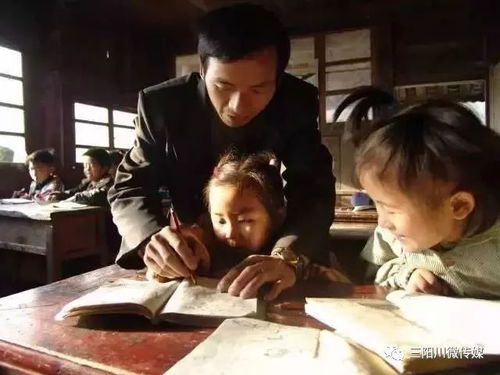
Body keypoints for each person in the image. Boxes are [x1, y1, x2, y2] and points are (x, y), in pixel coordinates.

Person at [109, 3, 335, 298]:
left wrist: (287, 256)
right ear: (202, 70)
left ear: (278, 80)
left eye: (258, 89)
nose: (238, 106)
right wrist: (151, 239)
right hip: (187, 254)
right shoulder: (163, 106)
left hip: (267, 249)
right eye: (223, 85)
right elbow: (129, 187)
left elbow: (312, 188)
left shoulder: (295, 102)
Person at [335, 87, 500, 298]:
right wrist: (407, 274)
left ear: (459, 206)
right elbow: (375, 274)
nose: (383, 222)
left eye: (391, 209)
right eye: (377, 203)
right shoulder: (391, 238)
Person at [146, 152, 349, 300]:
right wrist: (165, 267)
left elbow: (340, 288)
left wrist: (316, 278)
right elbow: (159, 275)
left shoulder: (294, 261)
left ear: (278, 215)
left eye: (246, 221)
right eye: (220, 220)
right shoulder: (204, 256)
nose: (230, 233)